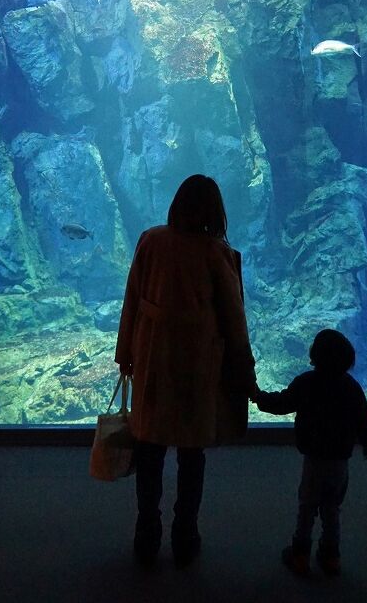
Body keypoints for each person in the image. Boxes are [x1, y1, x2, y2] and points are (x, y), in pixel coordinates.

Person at [115, 174, 257, 567]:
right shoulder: (218, 254)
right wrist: (245, 371)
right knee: (192, 453)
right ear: (216, 211)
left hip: (152, 357)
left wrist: (125, 350)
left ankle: (146, 532)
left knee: (150, 447)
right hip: (197, 364)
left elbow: (132, 299)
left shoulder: (150, 239)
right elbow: (234, 320)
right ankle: (185, 532)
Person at [253, 328, 367, 577]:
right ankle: (331, 556)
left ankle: (300, 554)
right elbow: (364, 418)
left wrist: (257, 397)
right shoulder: (352, 387)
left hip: (314, 459)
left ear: (314, 356)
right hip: (340, 461)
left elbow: (283, 403)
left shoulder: (307, 383)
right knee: (332, 509)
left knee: (307, 505)